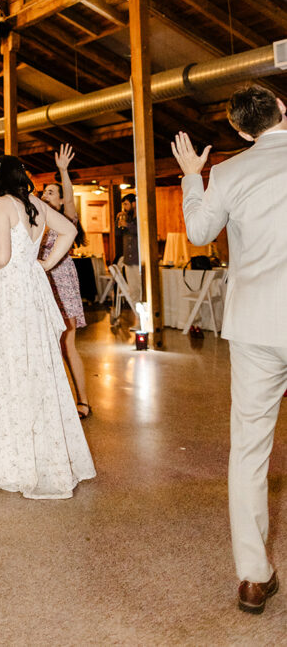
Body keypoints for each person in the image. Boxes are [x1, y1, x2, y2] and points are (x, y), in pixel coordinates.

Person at [172, 85, 287, 615]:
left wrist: (192, 176)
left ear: (241, 132)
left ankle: (253, 577)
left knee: (249, 450)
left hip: (256, 325)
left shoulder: (229, 172)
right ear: (283, 109)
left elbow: (198, 233)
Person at [0, 155, 96, 500]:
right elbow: (70, 231)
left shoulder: (2, 203)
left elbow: (1, 258)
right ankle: (44, 452)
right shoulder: (34, 203)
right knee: (38, 364)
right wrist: (44, 263)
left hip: (9, 291)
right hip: (32, 286)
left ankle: (11, 453)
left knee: (9, 365)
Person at [40, 144, 91, 420]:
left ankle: (82, 400)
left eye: (51, 192)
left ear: (60, 201)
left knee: (67, 343)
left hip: (61, 279)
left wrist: (63, 171)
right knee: (46, 345)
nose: (45, 195)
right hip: (41, 279)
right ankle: (54, 401)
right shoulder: (37, 221)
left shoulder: (65, 218)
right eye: (44, 192)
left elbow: (70, 197)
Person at [115, 193, 140, 301]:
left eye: (126, 204)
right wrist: (117, 220)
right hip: (128, 259)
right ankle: (135, 309)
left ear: (133, 204)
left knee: (140, 286)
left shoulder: (140, 216)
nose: (124, 207)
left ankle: (144, 309)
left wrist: (127, 225)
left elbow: (140, 231)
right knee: (132, 288)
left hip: (138, 258)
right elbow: (117, 234)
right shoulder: (127, 218)